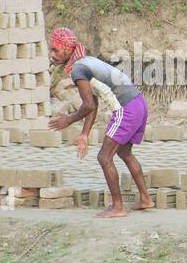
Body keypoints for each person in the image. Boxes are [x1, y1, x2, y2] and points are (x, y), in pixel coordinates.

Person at [46, 28, 153, 218]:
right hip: (139, 103)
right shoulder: (87, 62)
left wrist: (68, 120)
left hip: (126, 108)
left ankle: (118, 207)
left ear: (66, 49)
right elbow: (93, 104)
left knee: (104, 157)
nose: (52, 54)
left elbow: (87, 105)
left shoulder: (79, 69)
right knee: (124, 152)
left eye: (55, 50)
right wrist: (84, 134)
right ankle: (146, 199)